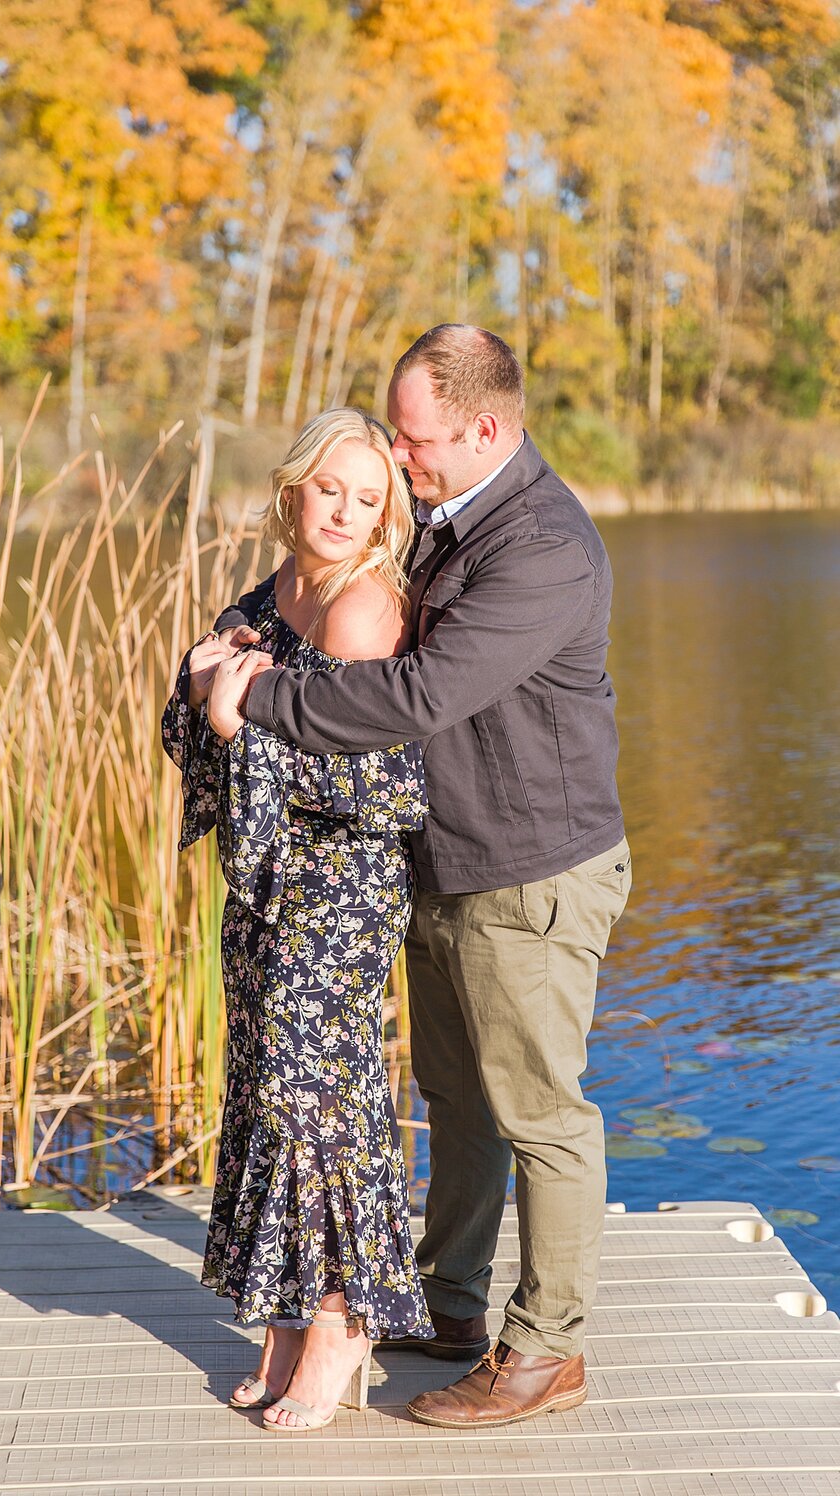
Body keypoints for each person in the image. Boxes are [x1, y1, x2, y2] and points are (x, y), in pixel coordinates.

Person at [206, 324, 631, 1431]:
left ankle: (544, 1351)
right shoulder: (443, 516)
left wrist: (251, 699)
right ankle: (445, 1302)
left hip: (533, 869)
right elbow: (306, 592)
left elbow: (408, 700)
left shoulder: (540, 547)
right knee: (457, 1103)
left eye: (414, 436)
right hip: (443, 865)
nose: (395, 456)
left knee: (538, 1113)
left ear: (486, 428)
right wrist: (230, 647)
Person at [162, 407, 434, 1435]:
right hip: (265, 887)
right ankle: (278, 1309)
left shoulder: (365, 608)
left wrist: (238, 723)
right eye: (331, 488)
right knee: (265, 1094)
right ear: (292, 489)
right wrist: (201, 677)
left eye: (370, 499)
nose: (346, 512)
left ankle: (339, 1317)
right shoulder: (272, 594)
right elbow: (206, 727)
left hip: (340, 889)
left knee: (317, 1101)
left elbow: (371, 785)